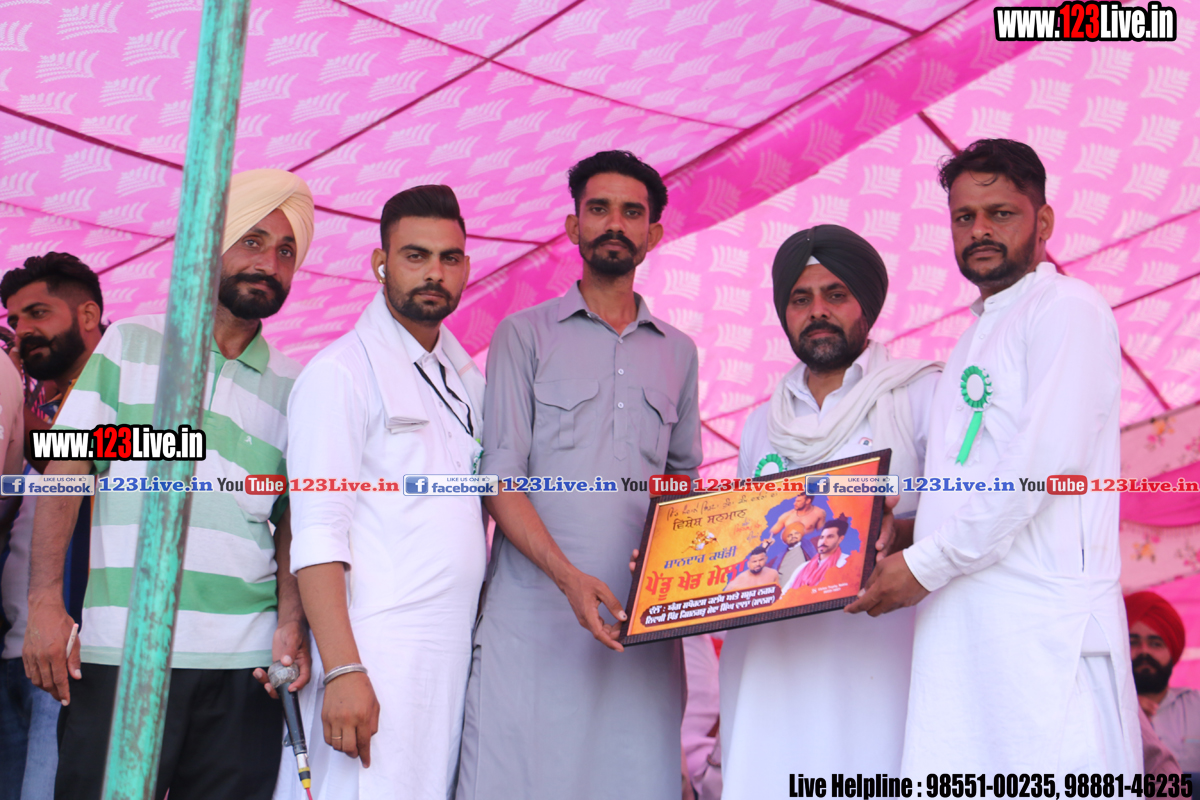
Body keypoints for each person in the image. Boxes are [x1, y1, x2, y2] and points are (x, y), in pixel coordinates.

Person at [849, 139, 1141, 774]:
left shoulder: (1067, 308)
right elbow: (972, 484)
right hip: (967, 641)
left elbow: (1043, 469)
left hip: (1043, 640)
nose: (979, 230)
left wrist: (924, 563)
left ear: (1044, 221)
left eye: (1000, 213)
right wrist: (901, 533)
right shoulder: (972, 337)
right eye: (964, 217)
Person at [25, 169, 315, 800]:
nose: (268, 263)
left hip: (245, 669)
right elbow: (67, 467)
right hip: (123, 656)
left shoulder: (299, 388)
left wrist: (292, 621)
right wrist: (44, 601)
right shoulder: (131, 344)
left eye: (286, 251)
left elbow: (296, 519)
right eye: (253, 241)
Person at [455, 151, 703, 800]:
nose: (614, 224)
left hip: (637, 627)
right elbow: (499, 477)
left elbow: (682, 484)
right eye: (599, 209)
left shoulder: (679, 352)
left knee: (633, 779)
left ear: (653, 234)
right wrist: (568, 578)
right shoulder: (523, 335)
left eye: (631, 212)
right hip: (532, 620)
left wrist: (682, 580)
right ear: (573, 226)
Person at [275, 185, 486, 800]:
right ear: (381, 264)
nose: (434, 272)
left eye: (449, 258)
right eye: (415, 256)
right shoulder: (340, 373)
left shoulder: (463, 379)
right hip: (374, 654)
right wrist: (344, 669)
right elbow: (316, 532)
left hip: (446, 661)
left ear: (466, 268)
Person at [722, 223, 939, 791]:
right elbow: (747, 540)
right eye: (800, 299)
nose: (817, 310)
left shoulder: (921, 395)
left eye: (835, 294)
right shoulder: (762, 423)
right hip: (773, 663)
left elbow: (963, 520)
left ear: (866, 302)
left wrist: (897, 533)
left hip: (881, 658)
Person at [0, 253, 105, 800]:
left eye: (37, 313)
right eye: (14, 319)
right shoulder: (38, 407)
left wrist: (23, 418)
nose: (22, 331)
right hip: (15, 651)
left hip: (74, 656)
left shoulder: (132, 389)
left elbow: (107, 455)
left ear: (88, 315)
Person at [1126, 591, 1196, 774]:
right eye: (1133, 643)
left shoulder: (1196, 706)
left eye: (1155, 643)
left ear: (1172, 650)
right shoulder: (1098, 711)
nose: (1144, 651)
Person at [764, 492, 824, 576]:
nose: (794, 503)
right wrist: (766, 546)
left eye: (798, 501)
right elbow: (771, 534)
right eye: (795, 500)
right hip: (789, 550)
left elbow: (823, 532)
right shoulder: (786, 516)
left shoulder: (819, 513)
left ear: (808, 501)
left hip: (809, 549)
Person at [787, 516, 855, 589]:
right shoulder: (803, 567)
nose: (823, 542)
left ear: (840, 539)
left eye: (830, 537)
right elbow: (785, 593)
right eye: (822, 537)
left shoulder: (847, 562)